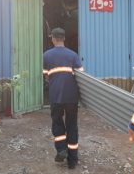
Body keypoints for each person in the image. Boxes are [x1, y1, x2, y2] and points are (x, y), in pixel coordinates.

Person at [43, 27, 84, 169]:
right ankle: (72, 160)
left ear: (53, 38)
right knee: (72, 126)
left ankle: (61, 149)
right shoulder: (73, 55)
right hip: (72, 97)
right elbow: (81, 76)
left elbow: (46, 75)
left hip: (55, 97)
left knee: (57, 123)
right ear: (64, 38)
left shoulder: (46, 55)